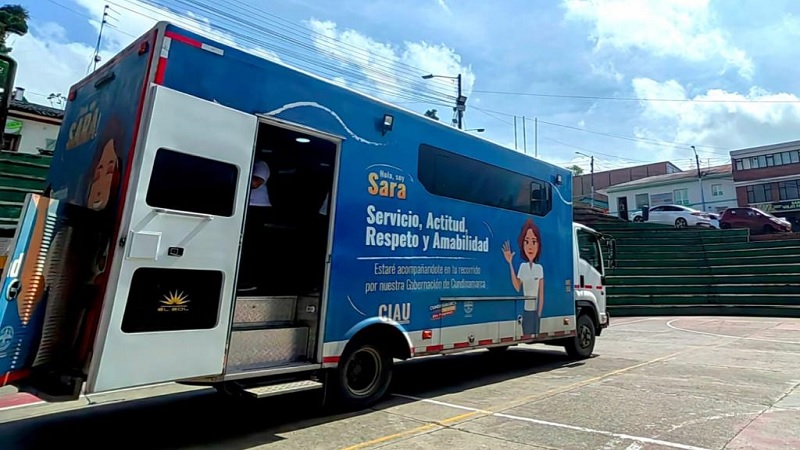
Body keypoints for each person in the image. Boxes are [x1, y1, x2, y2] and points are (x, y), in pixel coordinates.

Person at [238, 159, 273, 292]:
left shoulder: (261, 165)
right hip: (245, 206)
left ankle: (248, 281)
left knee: (250, 245)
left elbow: (255, 183)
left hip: (257, 208)